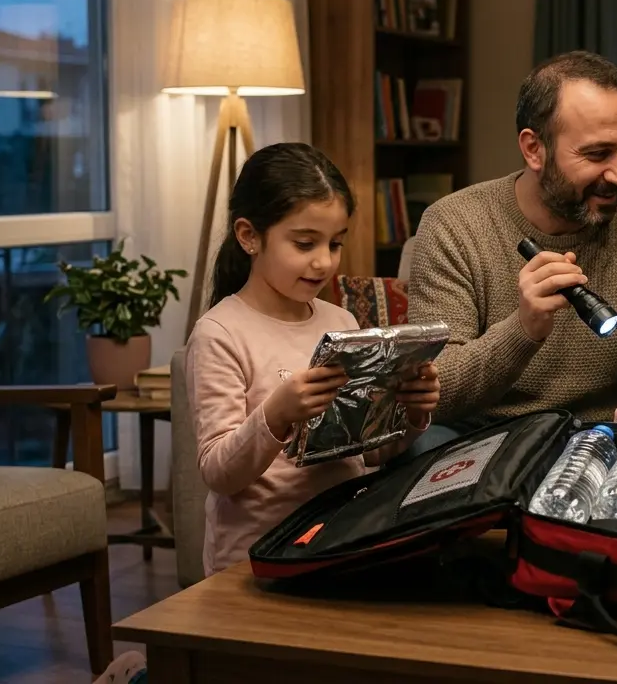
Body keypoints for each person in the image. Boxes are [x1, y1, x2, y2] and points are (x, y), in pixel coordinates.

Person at [406, 51, 617, 439]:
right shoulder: (454, 225)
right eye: (598, 153)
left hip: (598, 438)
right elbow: (434, 393)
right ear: (534, 149)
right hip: (479, 443)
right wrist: (523, 329)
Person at [185, 143, 440, 575]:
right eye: (304, 244)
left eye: (335, 244)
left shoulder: (340, 320)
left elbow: (368, 455)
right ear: (249, 236)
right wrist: (276, 414)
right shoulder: (220, 333)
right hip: (256, 557)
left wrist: (412, 411)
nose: (323, 262)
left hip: (341, 538)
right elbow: (218, 474)